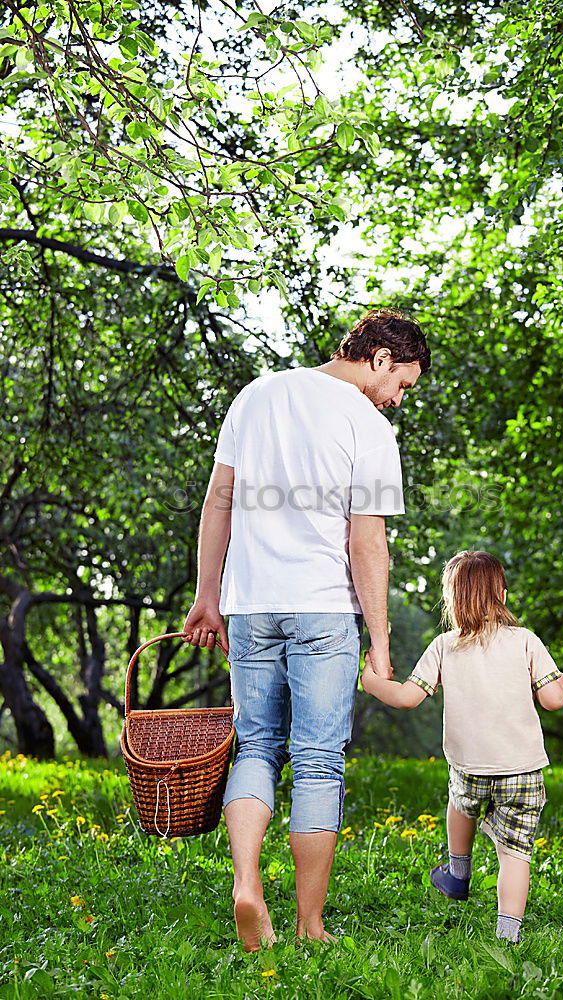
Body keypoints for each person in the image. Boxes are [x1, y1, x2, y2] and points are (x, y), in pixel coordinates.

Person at [182, 308, 430, 951]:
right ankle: (309, 924)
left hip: (250, 603)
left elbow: (219, 500)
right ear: (380, 357)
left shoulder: (256, 393)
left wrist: (208, 596)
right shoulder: (367, 425)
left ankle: (246, 885)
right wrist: (379, 639)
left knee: (256, 748)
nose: (400, 398)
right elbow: (366, 539)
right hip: (322, 606)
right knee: (319, 761)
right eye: (403, 382)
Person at [361, 550, 563, 944]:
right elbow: (554, 699)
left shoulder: (444, 646)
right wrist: (561, 681)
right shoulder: (525, 642)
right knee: (515, 855)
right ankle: (507, 935)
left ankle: (459, 872)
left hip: (470, 770)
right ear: (502, 597)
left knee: (459, 801)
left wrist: (371, 680)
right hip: (522, 772)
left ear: (452, 602)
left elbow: (408, 697)